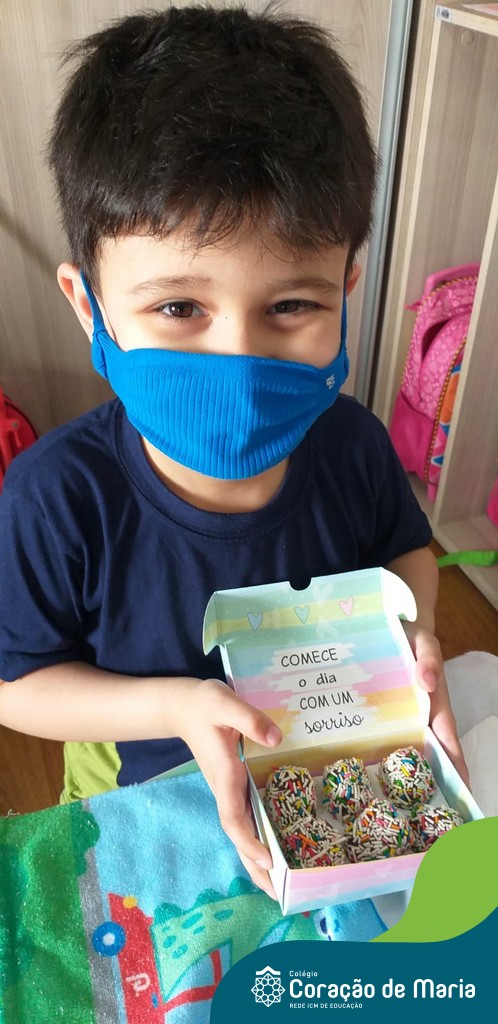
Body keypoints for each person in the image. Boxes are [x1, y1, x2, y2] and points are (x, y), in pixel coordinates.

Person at [0, 4, 466, 899]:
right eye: (179, 308)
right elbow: (18, 683)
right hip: (149, 791)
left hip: (329, 771)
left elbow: (406, 550)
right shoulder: (54, 495)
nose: (239, 364)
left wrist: (416, 634)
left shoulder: (355, 446)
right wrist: (178, 706)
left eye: (290, 306)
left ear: (346, 291)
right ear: (89, 305)